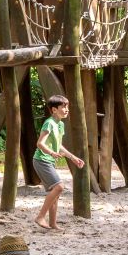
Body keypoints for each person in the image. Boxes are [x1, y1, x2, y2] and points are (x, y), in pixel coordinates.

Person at [33, 95, 86, 231]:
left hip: (49, 161)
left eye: (67, 106)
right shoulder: (49, 123)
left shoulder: (60, 124)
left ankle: (53, 224)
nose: (67, 109)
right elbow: (40, 143)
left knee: (55, 192)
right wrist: (51, 153)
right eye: (63, 107)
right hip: (41, 160)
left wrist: (73, 158)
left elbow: (59, 146)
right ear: (54, 110)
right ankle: (40, 216)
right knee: (59, 187)